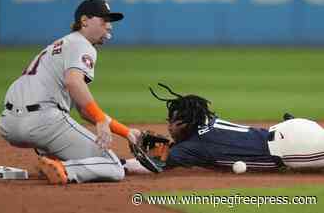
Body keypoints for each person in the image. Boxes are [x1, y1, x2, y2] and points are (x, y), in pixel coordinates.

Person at [0, 0, 141, 184]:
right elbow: (74, 82)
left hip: (8, 125)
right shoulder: (82, 45)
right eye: (104, 21)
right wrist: (99, 120)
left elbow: (83, 109)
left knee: (67, 133)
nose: (109, 27)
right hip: (43, 123)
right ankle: (62, 168)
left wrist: (126, 132)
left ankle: (54, 158)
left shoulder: (61, 45)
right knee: (113, 167)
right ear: (84, 21)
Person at [124, 84, 324, 174]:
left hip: (293, 147)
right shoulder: (208, 120)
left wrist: (123, 163)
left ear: (185, 123)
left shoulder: (194, 146)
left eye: (172, 121)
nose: (169, 127)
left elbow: (151, 164)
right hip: (292, 130)